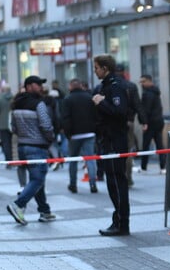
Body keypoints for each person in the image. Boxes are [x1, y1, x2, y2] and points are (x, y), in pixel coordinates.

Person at [6, 76, 57, 225]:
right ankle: (18, 205)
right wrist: (50, 138)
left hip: (22, 146)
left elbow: (13, 127)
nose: (40, 87)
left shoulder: (15, 104)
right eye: (37, 84)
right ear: (28, 86)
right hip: (37, 147)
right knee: (38, 179)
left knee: (37, 180)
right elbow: (46, 125)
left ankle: (44, 211)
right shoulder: (39, 104)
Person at [93, 55, 131, 236]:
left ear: (105, 68)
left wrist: (102, 103)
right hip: (107, 140)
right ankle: (118, 220)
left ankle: (122, 223)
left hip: (115, 140)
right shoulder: (106, 86)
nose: (95, 71)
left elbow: (120, 112)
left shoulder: (115, 87)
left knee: (116, 182)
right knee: (112, 182)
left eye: (97, 68)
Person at [60, 78, 98, 194]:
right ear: (81, 86)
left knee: (73, 160)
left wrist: (68, 134)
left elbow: (66, 119)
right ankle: (93, 184)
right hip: (90, 133)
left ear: (71, 86)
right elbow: (95, 114)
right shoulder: (89, 97)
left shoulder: (67, 99)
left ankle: (73, 184)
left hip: (75, 135)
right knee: (90, 159)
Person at [117, 64, 147, 184]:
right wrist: (143, 121)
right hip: (129, 122)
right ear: (124, 72)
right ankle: (128, 178)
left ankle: (119, 177)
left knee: (115, 151)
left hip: (113, 123)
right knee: (128, 150)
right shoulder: (131, 86)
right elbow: (138, 105)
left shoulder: (108, 86)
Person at [138, 74, 165, 173]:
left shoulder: (147, 94)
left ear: (149, 81)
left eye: (143, 81)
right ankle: (163, 166)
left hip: (150, 123)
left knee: (146, 145)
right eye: (141, 82)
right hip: (158, 121)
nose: (142, 84)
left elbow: (145, 110)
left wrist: (144, 122)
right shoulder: (155, 91)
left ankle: (144, 167)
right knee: (160, 145)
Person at [0, 81, 13, 165]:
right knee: (12, 143)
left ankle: (8, 160)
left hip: (3, 125)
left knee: (5, 143)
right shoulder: (14, 98)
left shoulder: (0, 99)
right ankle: (13, 159)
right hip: (13, 124)